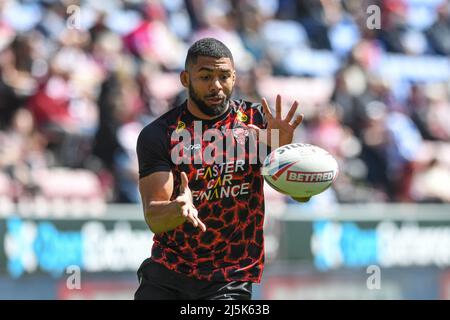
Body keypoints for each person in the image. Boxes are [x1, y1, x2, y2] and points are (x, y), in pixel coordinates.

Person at [134, 38, 304, 300]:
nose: (216, 86)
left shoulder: (257, 124)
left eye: (224, 76)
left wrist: (284, 154)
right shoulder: (160, 134)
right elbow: (154, 218)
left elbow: (300, 195)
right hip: (168, 272)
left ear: (234, 77)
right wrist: (177, 209)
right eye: (205, 76)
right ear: (185, 79)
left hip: (228, 278)